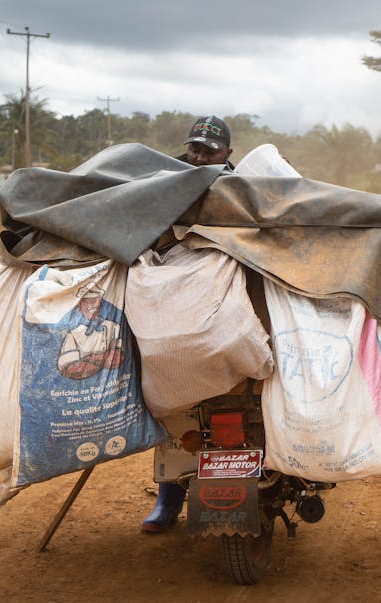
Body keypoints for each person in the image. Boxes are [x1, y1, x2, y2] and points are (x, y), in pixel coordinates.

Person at [141, 114, 233, 534]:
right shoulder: (166, 182)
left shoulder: (244, 186)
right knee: (169, 396)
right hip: (177, 288)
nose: (199, 158)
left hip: (229, 287)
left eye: (209, 151)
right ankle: (169, 495)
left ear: (227, 154)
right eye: (194, 149)